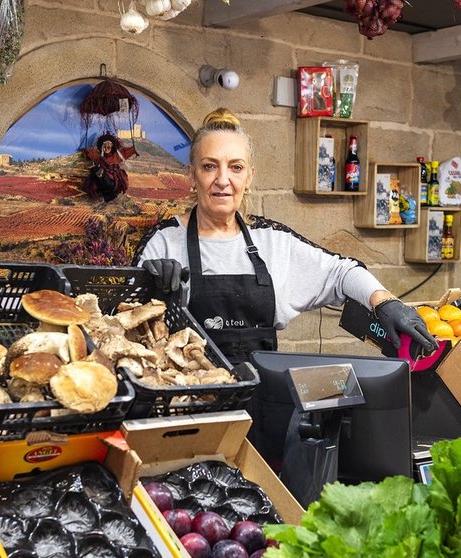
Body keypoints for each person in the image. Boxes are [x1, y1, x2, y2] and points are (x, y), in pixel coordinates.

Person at [132, 108, 437, 467]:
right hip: (187, 409)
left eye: (235, 167)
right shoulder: (163, 242)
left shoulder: (273, 242)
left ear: (249, 178)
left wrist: (384, 302)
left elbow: (342, 271)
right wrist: (150, 289)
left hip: (262, 410)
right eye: (209, 166)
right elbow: (129, 327)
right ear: (192, 175)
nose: (222, 180)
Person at [81, 133, 137, 202]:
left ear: (112, 146)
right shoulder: (99, 157)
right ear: (102, 147)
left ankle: (109, 192)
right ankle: (103, 185)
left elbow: (127, 151)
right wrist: (87, 151)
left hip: (114, 180)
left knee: (107, 181)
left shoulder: (117, 155)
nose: (106, 148)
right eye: (104, 146)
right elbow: (91, 153)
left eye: (108, 146)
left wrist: (134, 149)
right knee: (96, 170)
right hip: (102, 181)